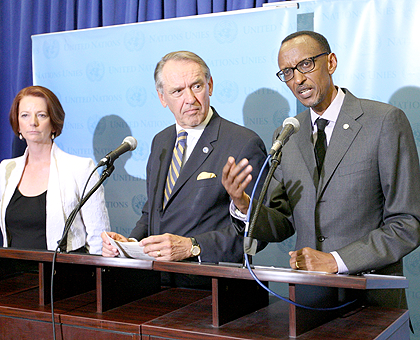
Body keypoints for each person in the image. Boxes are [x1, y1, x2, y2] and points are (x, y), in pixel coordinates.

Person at [222, 31, 420, 308]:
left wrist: (337, 261)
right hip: (308, 303)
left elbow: (407, 223)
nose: (298, 79)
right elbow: (282, 222)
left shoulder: (384, 121)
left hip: (371, 302)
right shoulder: (288, 133)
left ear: (331, 62)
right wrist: (243, 203)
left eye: (305, 65)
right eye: (287, 72)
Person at [102, 51, 267, 287]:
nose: (189, 98)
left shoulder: (242, 143)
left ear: (210, 85)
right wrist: (129, 243)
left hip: (213, 289)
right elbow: (153, 213)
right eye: (177, 91)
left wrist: (193, 246)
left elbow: (258, 232)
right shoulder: (161, 141)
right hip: (157, 282)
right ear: (162, 98)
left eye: (196, 86)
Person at [0, 85, 110, 254]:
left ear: (53, 123)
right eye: (25, 115)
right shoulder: (6, 169)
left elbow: (99, 237)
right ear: (18, 125)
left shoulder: (80, 169)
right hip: (15, 276)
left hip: (62, 274)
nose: (33, 122)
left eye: (41, 115)